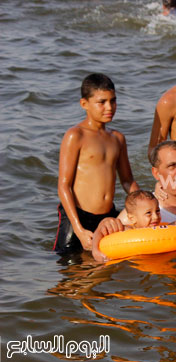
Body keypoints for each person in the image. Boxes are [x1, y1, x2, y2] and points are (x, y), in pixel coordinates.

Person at [55, 73, 140, 256]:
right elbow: (64, 185)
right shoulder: (76, 136)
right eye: (102, 102)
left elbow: (127, 181)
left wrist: (145, 204)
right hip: (79, 216)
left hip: (107, 216)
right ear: (84, 104)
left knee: (105, 270)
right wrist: (78, 229)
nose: (109, 107)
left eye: (113, 101)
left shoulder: (117, 138)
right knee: (70, 271)